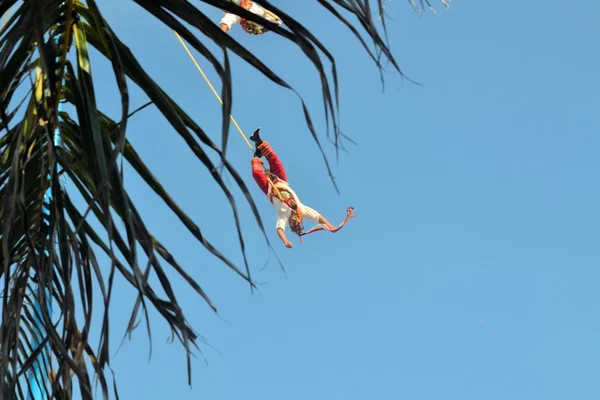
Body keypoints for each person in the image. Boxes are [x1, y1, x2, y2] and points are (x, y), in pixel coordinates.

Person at [249, 129, 352, 248]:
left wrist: (285, 241)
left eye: (294, 224)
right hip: (281, 181)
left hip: (269, 189)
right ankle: (258, 140)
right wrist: (331, 226)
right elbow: (318, 217)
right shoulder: (301, 211)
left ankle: (257, 155)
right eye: (299, 222)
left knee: (256, 173)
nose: (296, 221)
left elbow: (279, 229)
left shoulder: (283, 217)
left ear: (291, 225)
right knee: (275, 160)